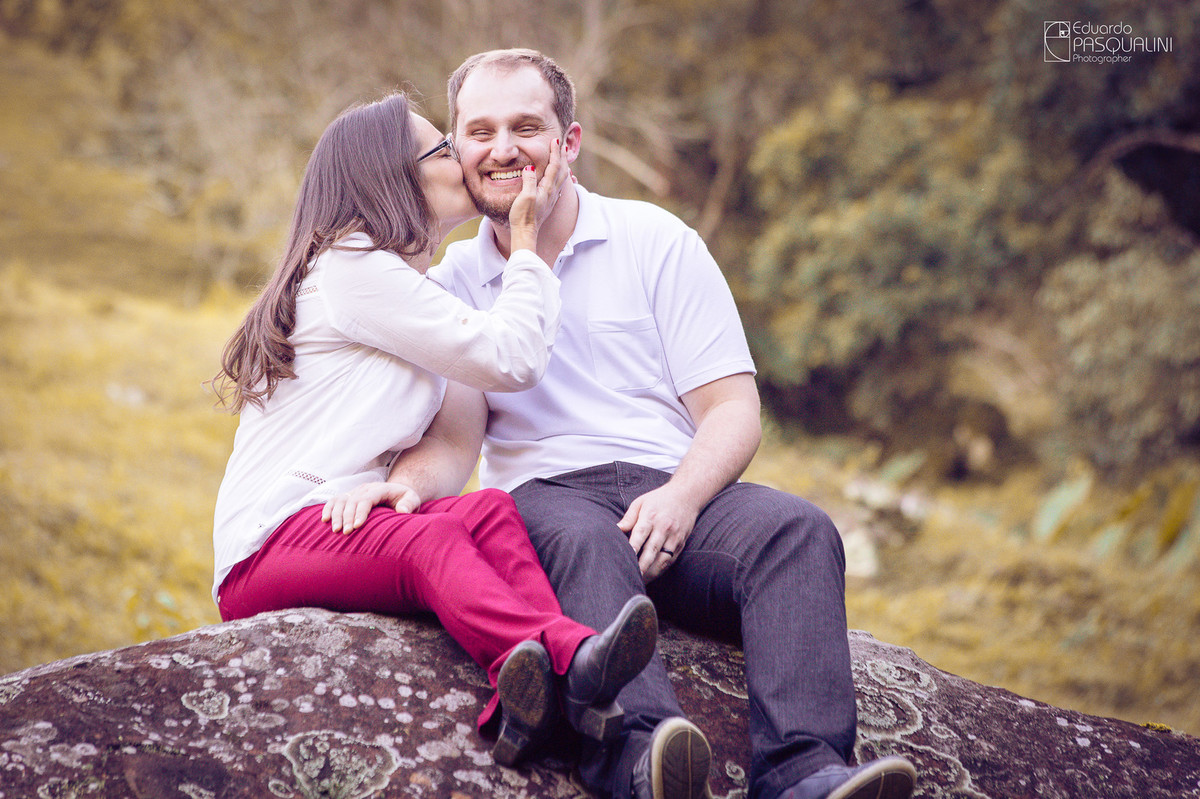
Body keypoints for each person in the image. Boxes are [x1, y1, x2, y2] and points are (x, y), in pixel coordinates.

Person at [328, 52, 918, 799]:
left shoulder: (655, 241)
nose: (503, 148)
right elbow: (452, 442)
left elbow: (732, 408)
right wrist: (402, 491)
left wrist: (683, 496)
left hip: (675, 498)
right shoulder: (453, 285)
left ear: (569, 142)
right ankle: (640, 757)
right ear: (457, 147)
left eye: (525, 127)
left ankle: (804, 771)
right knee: (578, 535)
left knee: (798, 529)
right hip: (548, 502)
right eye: (479, 131)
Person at [208, 91, 660, 769]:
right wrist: (528, 243)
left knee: (488, 509)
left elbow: (452, 444)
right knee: (434, 541)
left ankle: (541, 687)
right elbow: (513, 356)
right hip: (268, 540)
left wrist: (399, 488)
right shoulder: (350, 265)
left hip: (334, 517)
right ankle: (554, 658)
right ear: (392, 177)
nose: (463, 157)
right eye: (444, 149)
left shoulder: (420, 293)